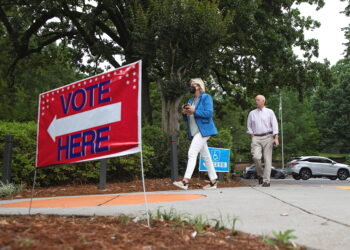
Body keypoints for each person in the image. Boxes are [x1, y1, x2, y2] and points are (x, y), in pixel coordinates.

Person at [173, 78, 218, 190]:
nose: (191, 86)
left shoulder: (206, 97)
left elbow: (209, 113)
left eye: (193, 84)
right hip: (194, 131)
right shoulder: (190, 100)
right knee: (206, 156)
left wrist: (194, 111)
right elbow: (187, 118)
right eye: (190, 84)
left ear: (199, 86)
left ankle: (185, 181)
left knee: (192, 152)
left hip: (204, 130)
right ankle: (213, 182)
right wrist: (185, 113)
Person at [247, 95, 279, 187]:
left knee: (267, 159)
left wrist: (276, 138)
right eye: (255, 100)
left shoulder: (270, 112)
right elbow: (249, 126)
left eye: (258, 100)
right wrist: (252, 134)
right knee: (256, 157)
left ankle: (266, 180)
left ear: (263, 101)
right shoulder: (252, 113)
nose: (256, 101)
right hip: (256, 138)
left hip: (268, 137)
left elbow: (275, 125)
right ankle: (260, 175)